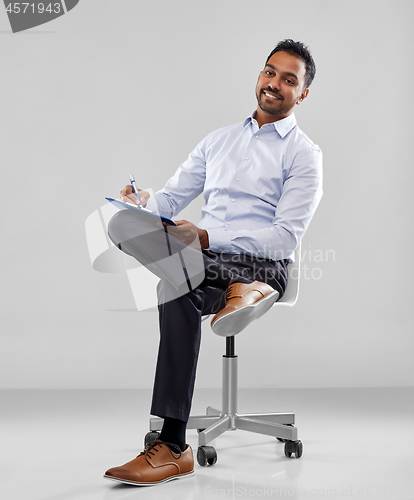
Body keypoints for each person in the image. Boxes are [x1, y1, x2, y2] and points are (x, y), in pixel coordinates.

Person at [103, 39, 323, 486]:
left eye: (289, 79)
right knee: (123, 224)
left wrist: (203, 235)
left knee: (174, 287)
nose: (274, 83)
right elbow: (171, 197)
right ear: (259, 75)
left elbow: (284, 238)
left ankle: (171, 445)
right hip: (204, 261)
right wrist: (146, 202)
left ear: (302, 94)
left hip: (262, 264)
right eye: (269, 72)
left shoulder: (304, 154)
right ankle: (238, 298)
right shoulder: (218, 141)